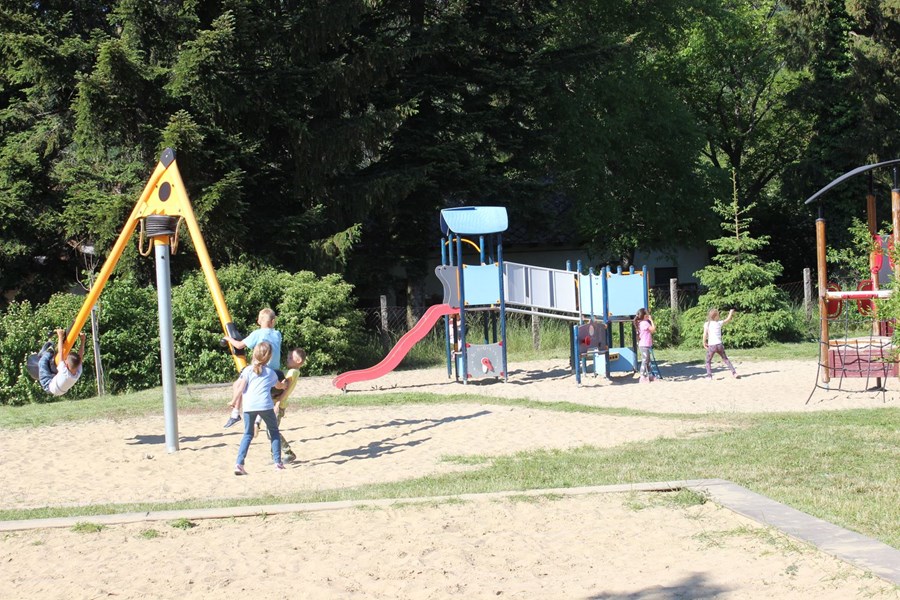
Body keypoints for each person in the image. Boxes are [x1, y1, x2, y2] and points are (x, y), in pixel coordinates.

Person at [232, 341, 288, 475]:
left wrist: (234, 400)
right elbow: (279, 386)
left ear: (254, 354)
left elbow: (241, 387)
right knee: (274, 432)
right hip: (265, 405)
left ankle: (239, 464)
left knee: (247, 434)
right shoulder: (270, 372)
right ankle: (278, 463)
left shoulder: (247, 370)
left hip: (249, 407)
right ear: (269, 357)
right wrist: (285, 385)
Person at [222, 308, 283, 428]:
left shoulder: (257, 334)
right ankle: (257, 420)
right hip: (276, 371)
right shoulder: (277, 334)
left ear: (259, 321)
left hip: (262, 369)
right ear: (273, 321)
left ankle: (235, 414)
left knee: (238, 385)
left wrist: (228, 338)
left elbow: (239, 345)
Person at [260, 347, 307, 463]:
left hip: (279, 405)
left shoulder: (292, 372)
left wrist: (278, 402)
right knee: (271, 431)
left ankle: (288, 453)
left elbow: (285, 389)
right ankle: (275, 457)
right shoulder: (290, 372)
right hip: (277, 404)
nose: (287, 359)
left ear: (298, 361)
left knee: (272, 432)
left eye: (291, 358)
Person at [38, 328, 87, 396]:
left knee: (42, 361)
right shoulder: (77, 372)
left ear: (67, 365)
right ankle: (50, 350)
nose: (64, 360)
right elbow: (80, 357)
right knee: (53, 359)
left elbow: (61, 352)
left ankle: (44, 353)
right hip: (59, 388)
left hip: (48, 385)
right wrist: (82, 341)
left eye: (65, 360)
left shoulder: (65, 372)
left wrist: (60, 337)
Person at [703, 308, 739, 379]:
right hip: (719, 345)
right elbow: (727, 319)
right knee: (725, 359)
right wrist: (730, 313)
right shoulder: (719, 323)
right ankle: (734, 373)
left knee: (708, 361)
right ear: (716, 316)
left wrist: (704, 342)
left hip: (711, 346)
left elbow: (705, 334)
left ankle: (709, 376)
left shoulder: (707, 324)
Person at [633, 308, 656, 383]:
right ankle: (642, 376)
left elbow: (649, 331)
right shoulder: (645, 323)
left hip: (644, 344)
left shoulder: (640, 323)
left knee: (648, 361)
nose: (648, 316)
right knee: (645, 360)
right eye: (647, 315)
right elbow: (653, 329)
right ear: (645, 316)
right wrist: (651, 320)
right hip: (644, 344)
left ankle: (650, 375)